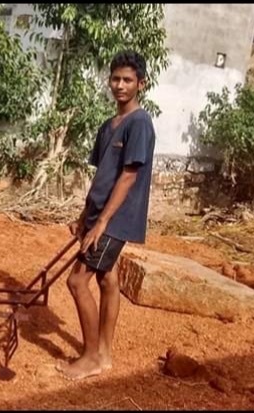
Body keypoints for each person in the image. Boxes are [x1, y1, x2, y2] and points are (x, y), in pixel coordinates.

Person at [56, 50, 157, 381]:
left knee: (76, 281)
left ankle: (91, 357)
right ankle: (105, 354)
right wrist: (85, 214)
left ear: (141, 84)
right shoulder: (107, 126)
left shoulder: (139, 123)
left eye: (128, 80)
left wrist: (101, 223)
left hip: (115, 220)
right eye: (115, 78)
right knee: (107, 278)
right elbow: (103, 175)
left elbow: (128, 177)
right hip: (100, 215)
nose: (120, 85)